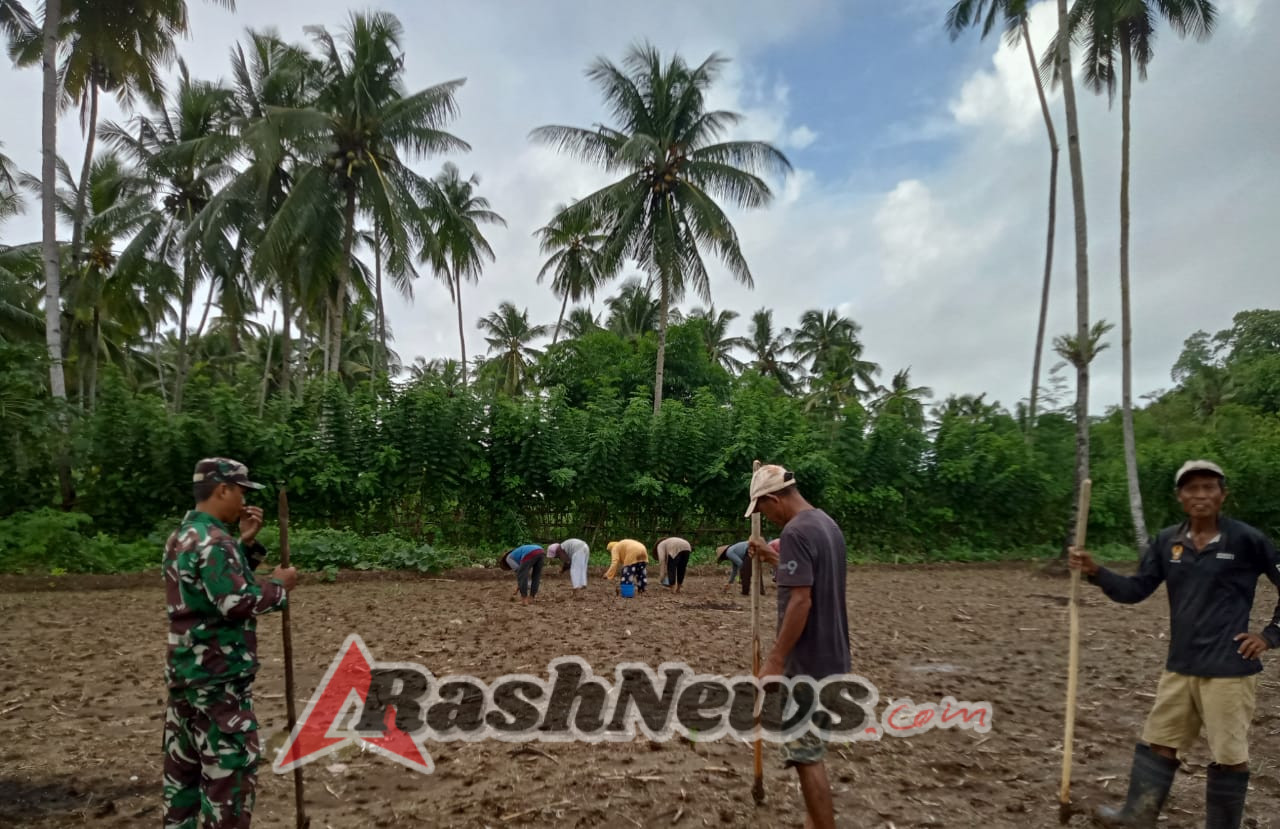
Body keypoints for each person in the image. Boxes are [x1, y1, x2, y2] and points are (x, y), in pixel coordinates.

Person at [1069, 460, 1280, 829]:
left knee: (1229, 756)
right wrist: (1095, 572)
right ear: (1180, 497)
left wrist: (1269, 635)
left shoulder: (1248, 539)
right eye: (1192, 489)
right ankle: (1136, 816)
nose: (1200, 495)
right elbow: (1136, 590)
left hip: (1228, 670)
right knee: (1160, 743)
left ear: (1222, 495)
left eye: (1209, 488)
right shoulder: (1168, 541)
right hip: (1180, 666)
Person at [163, 457, 298, 829]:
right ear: (222, 489)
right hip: (219, 685)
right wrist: (279, 587)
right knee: (228, 790)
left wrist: (246, 542)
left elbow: (214, 584)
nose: (243, 500)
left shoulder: (183, 537)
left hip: (186, 681)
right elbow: (236, 602)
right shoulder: (215, 542)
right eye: (240, 491)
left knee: (183, 789)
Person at [748, 464, 849, 829]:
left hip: (808, 663)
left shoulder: (795, 531)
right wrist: (772, 557)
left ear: (773, 499)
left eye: (763, 510)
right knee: (812, 749)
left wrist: (775, 660)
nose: (766, 517)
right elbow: (808, 574)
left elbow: (801, 601)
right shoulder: (826, 525)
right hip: (833, 656)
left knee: (806, 756)